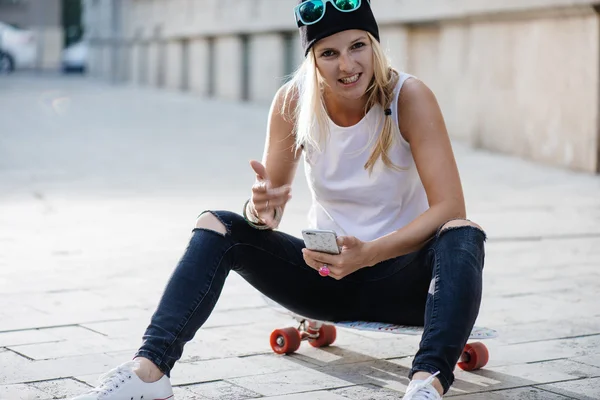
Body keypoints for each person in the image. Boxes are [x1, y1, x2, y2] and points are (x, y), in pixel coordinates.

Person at [71, 1, 486, 399]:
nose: (347, 65)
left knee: (463, 233)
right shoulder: (293, 101)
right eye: (329, 53)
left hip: (405, 284)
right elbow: (265, 215)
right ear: (312, 58)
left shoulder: (408, 97)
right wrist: (260, 208)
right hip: (324, 279)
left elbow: (450, 207)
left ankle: (425, 383)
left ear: (374, 45)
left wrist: (370, 253)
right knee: (216, 225)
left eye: (358, 46)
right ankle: (149, 371)